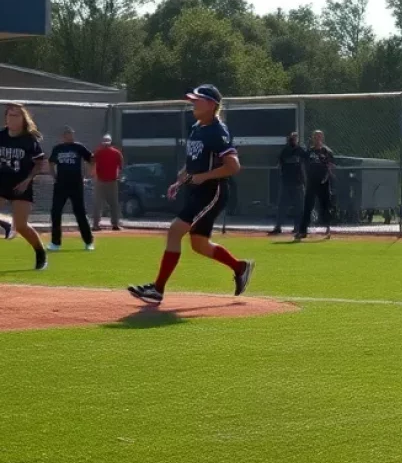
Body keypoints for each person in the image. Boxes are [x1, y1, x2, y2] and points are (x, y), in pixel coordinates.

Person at [127, 85, 253, 305]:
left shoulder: (217, 130)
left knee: (175, 231)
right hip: (198, 190)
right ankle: (240, 267)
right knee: (199, 244)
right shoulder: (197, 128)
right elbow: (193, 163)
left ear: (212, 105)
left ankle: (157, 289)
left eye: (198, 100)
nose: (193, 103)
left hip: (212, 191)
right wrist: (179, 181)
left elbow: (233, 166)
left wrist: (205, 176)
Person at [0, 103, 49, 270]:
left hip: (22, 183)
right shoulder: (1, 135)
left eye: (16, 115)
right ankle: (6, 223)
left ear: (23, 119)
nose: (12, 118)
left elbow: (39, 163)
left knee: (21, 226)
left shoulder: (28, 140)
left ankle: (40, 252)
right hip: (2, 181)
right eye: (9, 115)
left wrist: (28, 180)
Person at [48, 126, 95, 251]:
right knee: (56, 212)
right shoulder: (57, 149)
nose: (70, 136)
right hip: (61, 185)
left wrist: (89, 174)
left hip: (76, 185)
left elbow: (91, 159)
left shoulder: (78, 147)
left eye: (71, 133)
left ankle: (88, 241)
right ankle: (55, 243)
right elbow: (51, 164)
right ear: (62, 136)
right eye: (67, 134)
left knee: (80, 212)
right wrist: (54, 177)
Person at [297, 130, 334, 240]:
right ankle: (302, 231)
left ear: (322, 137)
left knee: (325, 206)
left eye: (319, 136)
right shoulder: (309, 151)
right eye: (315, 136)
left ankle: (327, 228)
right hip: (311, 182)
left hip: (323, 182)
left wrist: (326, 178)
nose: (317, 138)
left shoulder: (327, 151)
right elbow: (303, 165)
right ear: (313, 138)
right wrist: (305, 178)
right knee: (307, 207)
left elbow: (330, 166)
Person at [272, 132, 306, 236]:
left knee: (299, 206)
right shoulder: (285, 150)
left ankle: (298, 227)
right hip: (286, 182)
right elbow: (279, 163)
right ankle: (278, 227)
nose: (293, 140)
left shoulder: (300, 150)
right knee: (282, 205)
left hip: (298, 182)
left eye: (295, 138)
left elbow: (305, 162)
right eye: (292, 138)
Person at [92, 134, 124, 231]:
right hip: (111, 181)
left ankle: (96, 224)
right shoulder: (117, 153)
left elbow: (92, 163)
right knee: (113, 203)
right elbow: (121, 166)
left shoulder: (98, 152)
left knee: (98, 203)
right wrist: (119, 176)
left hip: (101, 181)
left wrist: (93, 175)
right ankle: (115, 224)